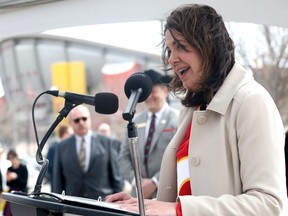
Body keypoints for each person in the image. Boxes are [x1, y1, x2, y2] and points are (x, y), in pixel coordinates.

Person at [106, 4, 287, 215]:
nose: (172, 59)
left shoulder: (251, 101)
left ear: (209, 46)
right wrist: (142, 205)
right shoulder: (191, 110)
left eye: (180, 46)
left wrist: (178, 210)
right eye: (169, 50)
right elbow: (187, 192)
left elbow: (269, 204)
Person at [118, 69, 179, 199]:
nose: (149, 97)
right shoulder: (133, 121)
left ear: (165, 91)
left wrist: (155, 182)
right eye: (146, 93)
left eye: (153, 91)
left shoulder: (178, 119)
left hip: (167, 194)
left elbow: (180, 156)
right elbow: (123, 156)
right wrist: (136, 181)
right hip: (139, 195)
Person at [53, 105, 123, 199]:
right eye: (77, 120)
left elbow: (116, 177)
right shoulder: (61, 146)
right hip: (73, 205)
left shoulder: (107, 142)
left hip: (102, 204)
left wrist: (118, 203)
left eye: (84, 119)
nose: (81, 122)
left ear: (90, 119)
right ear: (70, 123)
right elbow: (57, 181)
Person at [46, 125, 73, 192]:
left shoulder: (68, 146)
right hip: (58, 185)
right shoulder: (54, 147)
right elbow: (50, 167)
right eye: (70, 134)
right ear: (64, 134)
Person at [3, 149, 28, 216]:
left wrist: (16, 177)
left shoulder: (23, 168)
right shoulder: (9, 169)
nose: (12, 161)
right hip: (12, 193)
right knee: (8, 212)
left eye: (12, 158)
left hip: (21, 193)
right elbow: (8, 184)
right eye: (10, 159)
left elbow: (24, 183)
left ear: (16, 157)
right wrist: (8, 180)